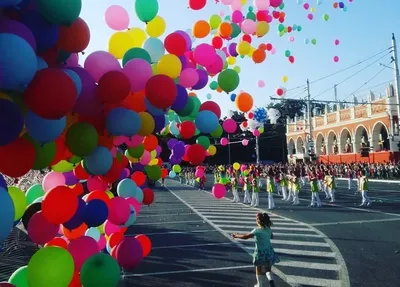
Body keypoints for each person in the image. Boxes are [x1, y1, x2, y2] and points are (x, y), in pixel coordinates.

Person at [231, 213, 279, 287]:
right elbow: (272, 237)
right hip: (269, 252)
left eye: (256, 219)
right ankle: (271, 281)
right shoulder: (268, 229)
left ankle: (259, 284)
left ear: (258, 221)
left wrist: (236, 235)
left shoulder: (257, 230)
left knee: (258, 268)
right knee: (268, 269)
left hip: (260, 252)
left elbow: (245, 237)